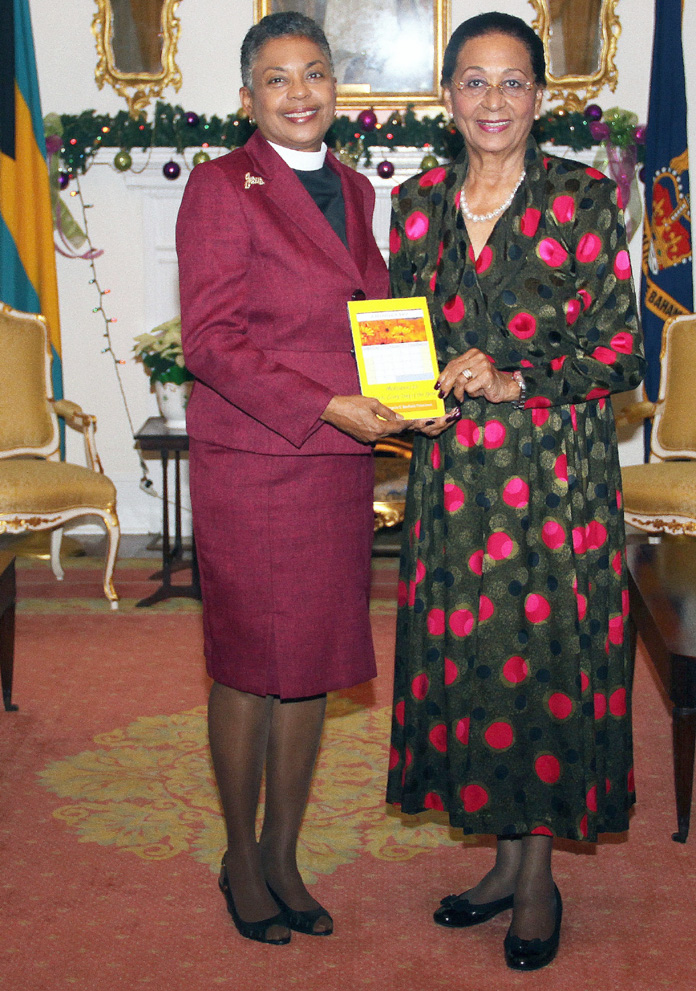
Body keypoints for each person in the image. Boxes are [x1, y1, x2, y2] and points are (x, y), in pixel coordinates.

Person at [386, 12, 645, 971]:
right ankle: (500, 863)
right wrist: (396, 399)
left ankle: (537, 876)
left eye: (513, 83)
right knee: (477, 666)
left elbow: (621, 350)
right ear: (447, 95)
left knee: (541, 664)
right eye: (474, 81)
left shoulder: (581, 199)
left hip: (552, 483)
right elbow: (398, 342)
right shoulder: (413, 206)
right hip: (453, 486)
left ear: (540, 96)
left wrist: (517, 376)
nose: (493, 101)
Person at [176, 11, 413, 946]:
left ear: (335, 87)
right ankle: (240, 856)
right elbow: (212, 344)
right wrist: (327, 403)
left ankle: (283, 853)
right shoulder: (218, 188)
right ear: (248, 96)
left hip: (336, 467)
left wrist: (411, 388)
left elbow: (378, 310)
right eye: (278, 78)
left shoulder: (353, 187)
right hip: (258, 461)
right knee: (248, 666)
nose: (301, 92)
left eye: (314, 73)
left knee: (309, 664)